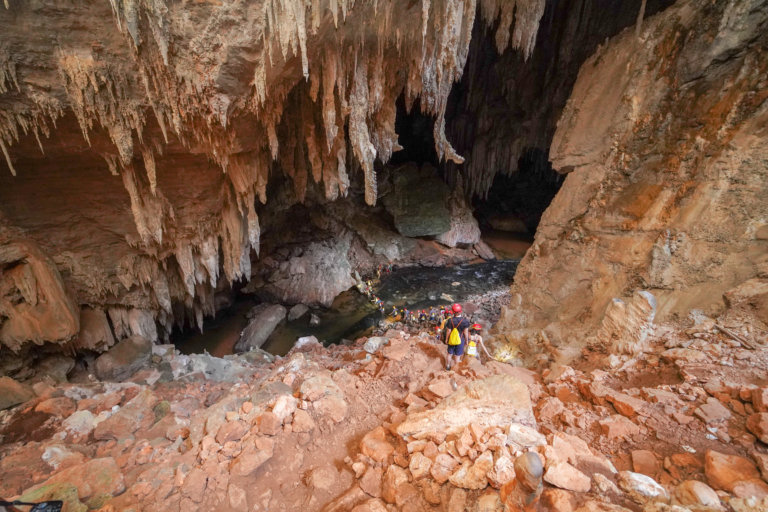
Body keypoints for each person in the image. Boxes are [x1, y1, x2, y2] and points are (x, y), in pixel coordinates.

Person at [443, 303, 470, 371]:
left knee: (449, 354)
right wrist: (466, 341)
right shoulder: (465, 321)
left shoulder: (450, 320)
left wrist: (446, 339)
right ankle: (456, 369)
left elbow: (448, 331)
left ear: (453, 312)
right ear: (460, 311)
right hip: (460, 340)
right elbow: (465, 332)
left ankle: (448, 366)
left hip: (451, 340)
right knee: (457, 356)